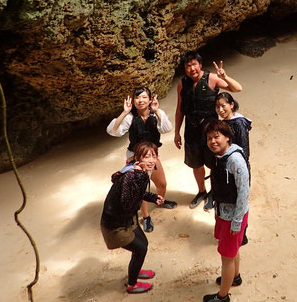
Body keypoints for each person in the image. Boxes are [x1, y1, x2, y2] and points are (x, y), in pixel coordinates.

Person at [174, 51, 242, 209]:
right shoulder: (182, 83)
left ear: (199, 64)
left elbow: (237, 89)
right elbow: (179, 109)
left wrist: (224, 76)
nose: (192, 68)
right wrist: (177, 132)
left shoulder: (211, 78)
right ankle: (201, 191)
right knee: (196, 164)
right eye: (188, 65)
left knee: (214, 164)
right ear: (185, 68)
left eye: (194, 64)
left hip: (211, 131)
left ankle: (214, 192)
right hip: (191, 130)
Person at [107, 86, 176, 233]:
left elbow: (167, 128)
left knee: (162, 184)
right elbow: (113, 131)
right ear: (133, 100)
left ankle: (159, 200)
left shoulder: (156, 114)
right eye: (137, 97)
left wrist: (157, 111)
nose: (141, 100)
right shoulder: (130, 117)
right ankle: (145, 217)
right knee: (142, 189)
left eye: (144, 97)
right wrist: (124, 112)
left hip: (151, 156)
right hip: (136, 158)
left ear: (150, 100)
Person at [100, 141, 165, 295]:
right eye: (146, 156)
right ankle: (132, 285)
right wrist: (138, 179)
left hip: (128, 219)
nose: (151, 160)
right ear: (137, 158)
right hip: (115, 225)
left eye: (154, 156)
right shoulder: (131, 176)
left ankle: (134, 270)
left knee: (143, 244)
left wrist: (153, 197)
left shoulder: (140, 173)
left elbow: (137, 195)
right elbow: (127, 202)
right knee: (140, 249)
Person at [202, 120, 250, 302]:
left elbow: (244, 192)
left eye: (217, 137)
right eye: (209, 138)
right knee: (232, 250)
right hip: (224, 212)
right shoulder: (220, 156)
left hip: (233, 216)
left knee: (226, 257)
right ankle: (235, 277)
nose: (213, 141)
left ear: (227, 137)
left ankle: (222, 297)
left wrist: (237, 222)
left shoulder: (235, 160)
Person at [215, 92, 252, 162]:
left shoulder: (239, 123)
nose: (220, 110)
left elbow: (244, 148)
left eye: (223, 106)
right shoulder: (222, 123)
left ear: (231, 105)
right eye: (217, 107)